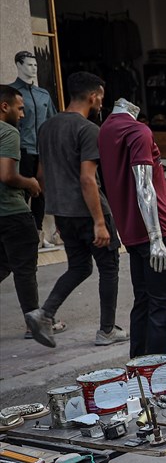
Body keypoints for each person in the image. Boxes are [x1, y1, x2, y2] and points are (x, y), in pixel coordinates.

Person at [25, 72, 126, 349]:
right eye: (101, 97)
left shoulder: (47, 128)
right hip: (90, 212)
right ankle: (107, 330)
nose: (101, 103)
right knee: (108, 267)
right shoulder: (88, 130)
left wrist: (58, 211)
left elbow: (41, 175)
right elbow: (87, 179)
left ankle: (44, 313)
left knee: (80, 267)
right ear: (93, 95)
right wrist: (99, 223)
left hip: (64, 213)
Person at [98, 98, 166, 357]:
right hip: (155, 230)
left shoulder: (106, 130)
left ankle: (140, 370)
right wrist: (157, 238)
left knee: (144, 302)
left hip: (132, 232)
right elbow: (144, 185)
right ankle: (156, 376)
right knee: (161, 307)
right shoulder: (138, 131)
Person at [0, 85, 55, 339]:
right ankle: (34, 321)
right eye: (20, 108)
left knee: (3, 265)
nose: (22, 115)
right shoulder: (8, 132)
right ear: (5, 107)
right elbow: (8, 175)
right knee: (25, 269)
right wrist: (31, 183)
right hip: (12, 211)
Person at [8, 51, 57, 248]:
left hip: (42, 152)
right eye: (29, 65)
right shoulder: (10, 93)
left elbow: (52, 121)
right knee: (22, 194)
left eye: (35, 65)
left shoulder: (43, 94)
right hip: (22, 150)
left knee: (41, 194)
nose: (34, 68)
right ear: (18, 65)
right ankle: (22, 236)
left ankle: (39, 235)